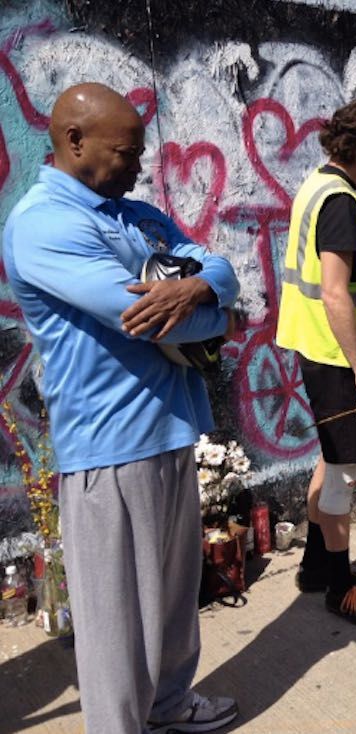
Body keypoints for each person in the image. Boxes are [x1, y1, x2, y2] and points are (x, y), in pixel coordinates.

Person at [2, 83, 240, 733]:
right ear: (73, 141)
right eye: (126, 152)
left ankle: (168, 706)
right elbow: (151, 322)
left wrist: (200, 286)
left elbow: (221, 268)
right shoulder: (43, 224)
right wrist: (212, 312)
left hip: (168, 428)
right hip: (108, 444)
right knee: (115, 626)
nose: (139, 165)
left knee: (171, 605)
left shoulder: (132, 215)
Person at [275, 97, 356, 626]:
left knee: (329, 463)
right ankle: (341, 587)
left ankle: (317, 568)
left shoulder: (318, 184)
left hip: (317, 350)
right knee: (343, 476)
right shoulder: (342, 201)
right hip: (336, 359)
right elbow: (334, 293)